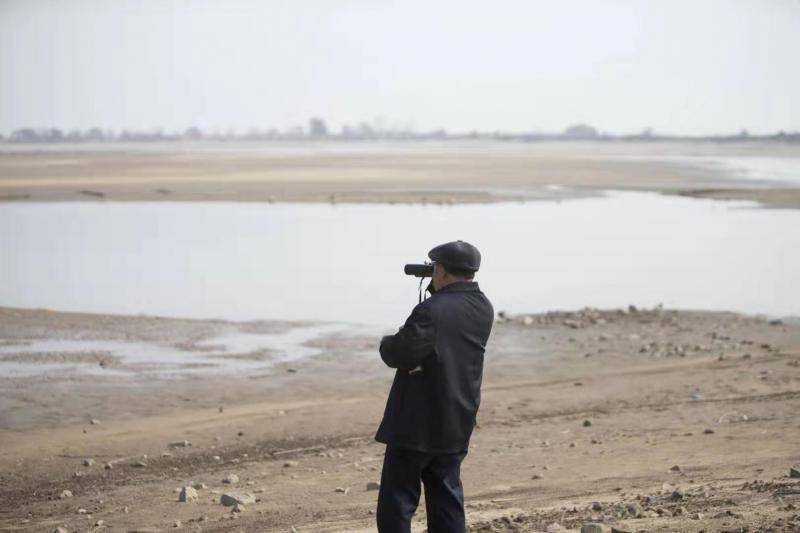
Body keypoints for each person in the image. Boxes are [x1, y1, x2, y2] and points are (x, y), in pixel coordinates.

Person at [375, 240, 494, 533]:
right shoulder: (483, 307)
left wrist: (389, 342)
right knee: (446, 498)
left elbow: (399, 353)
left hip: (417, 423)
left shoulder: (432, 310)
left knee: (398, 501)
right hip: (457, 418)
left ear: (439, 270)